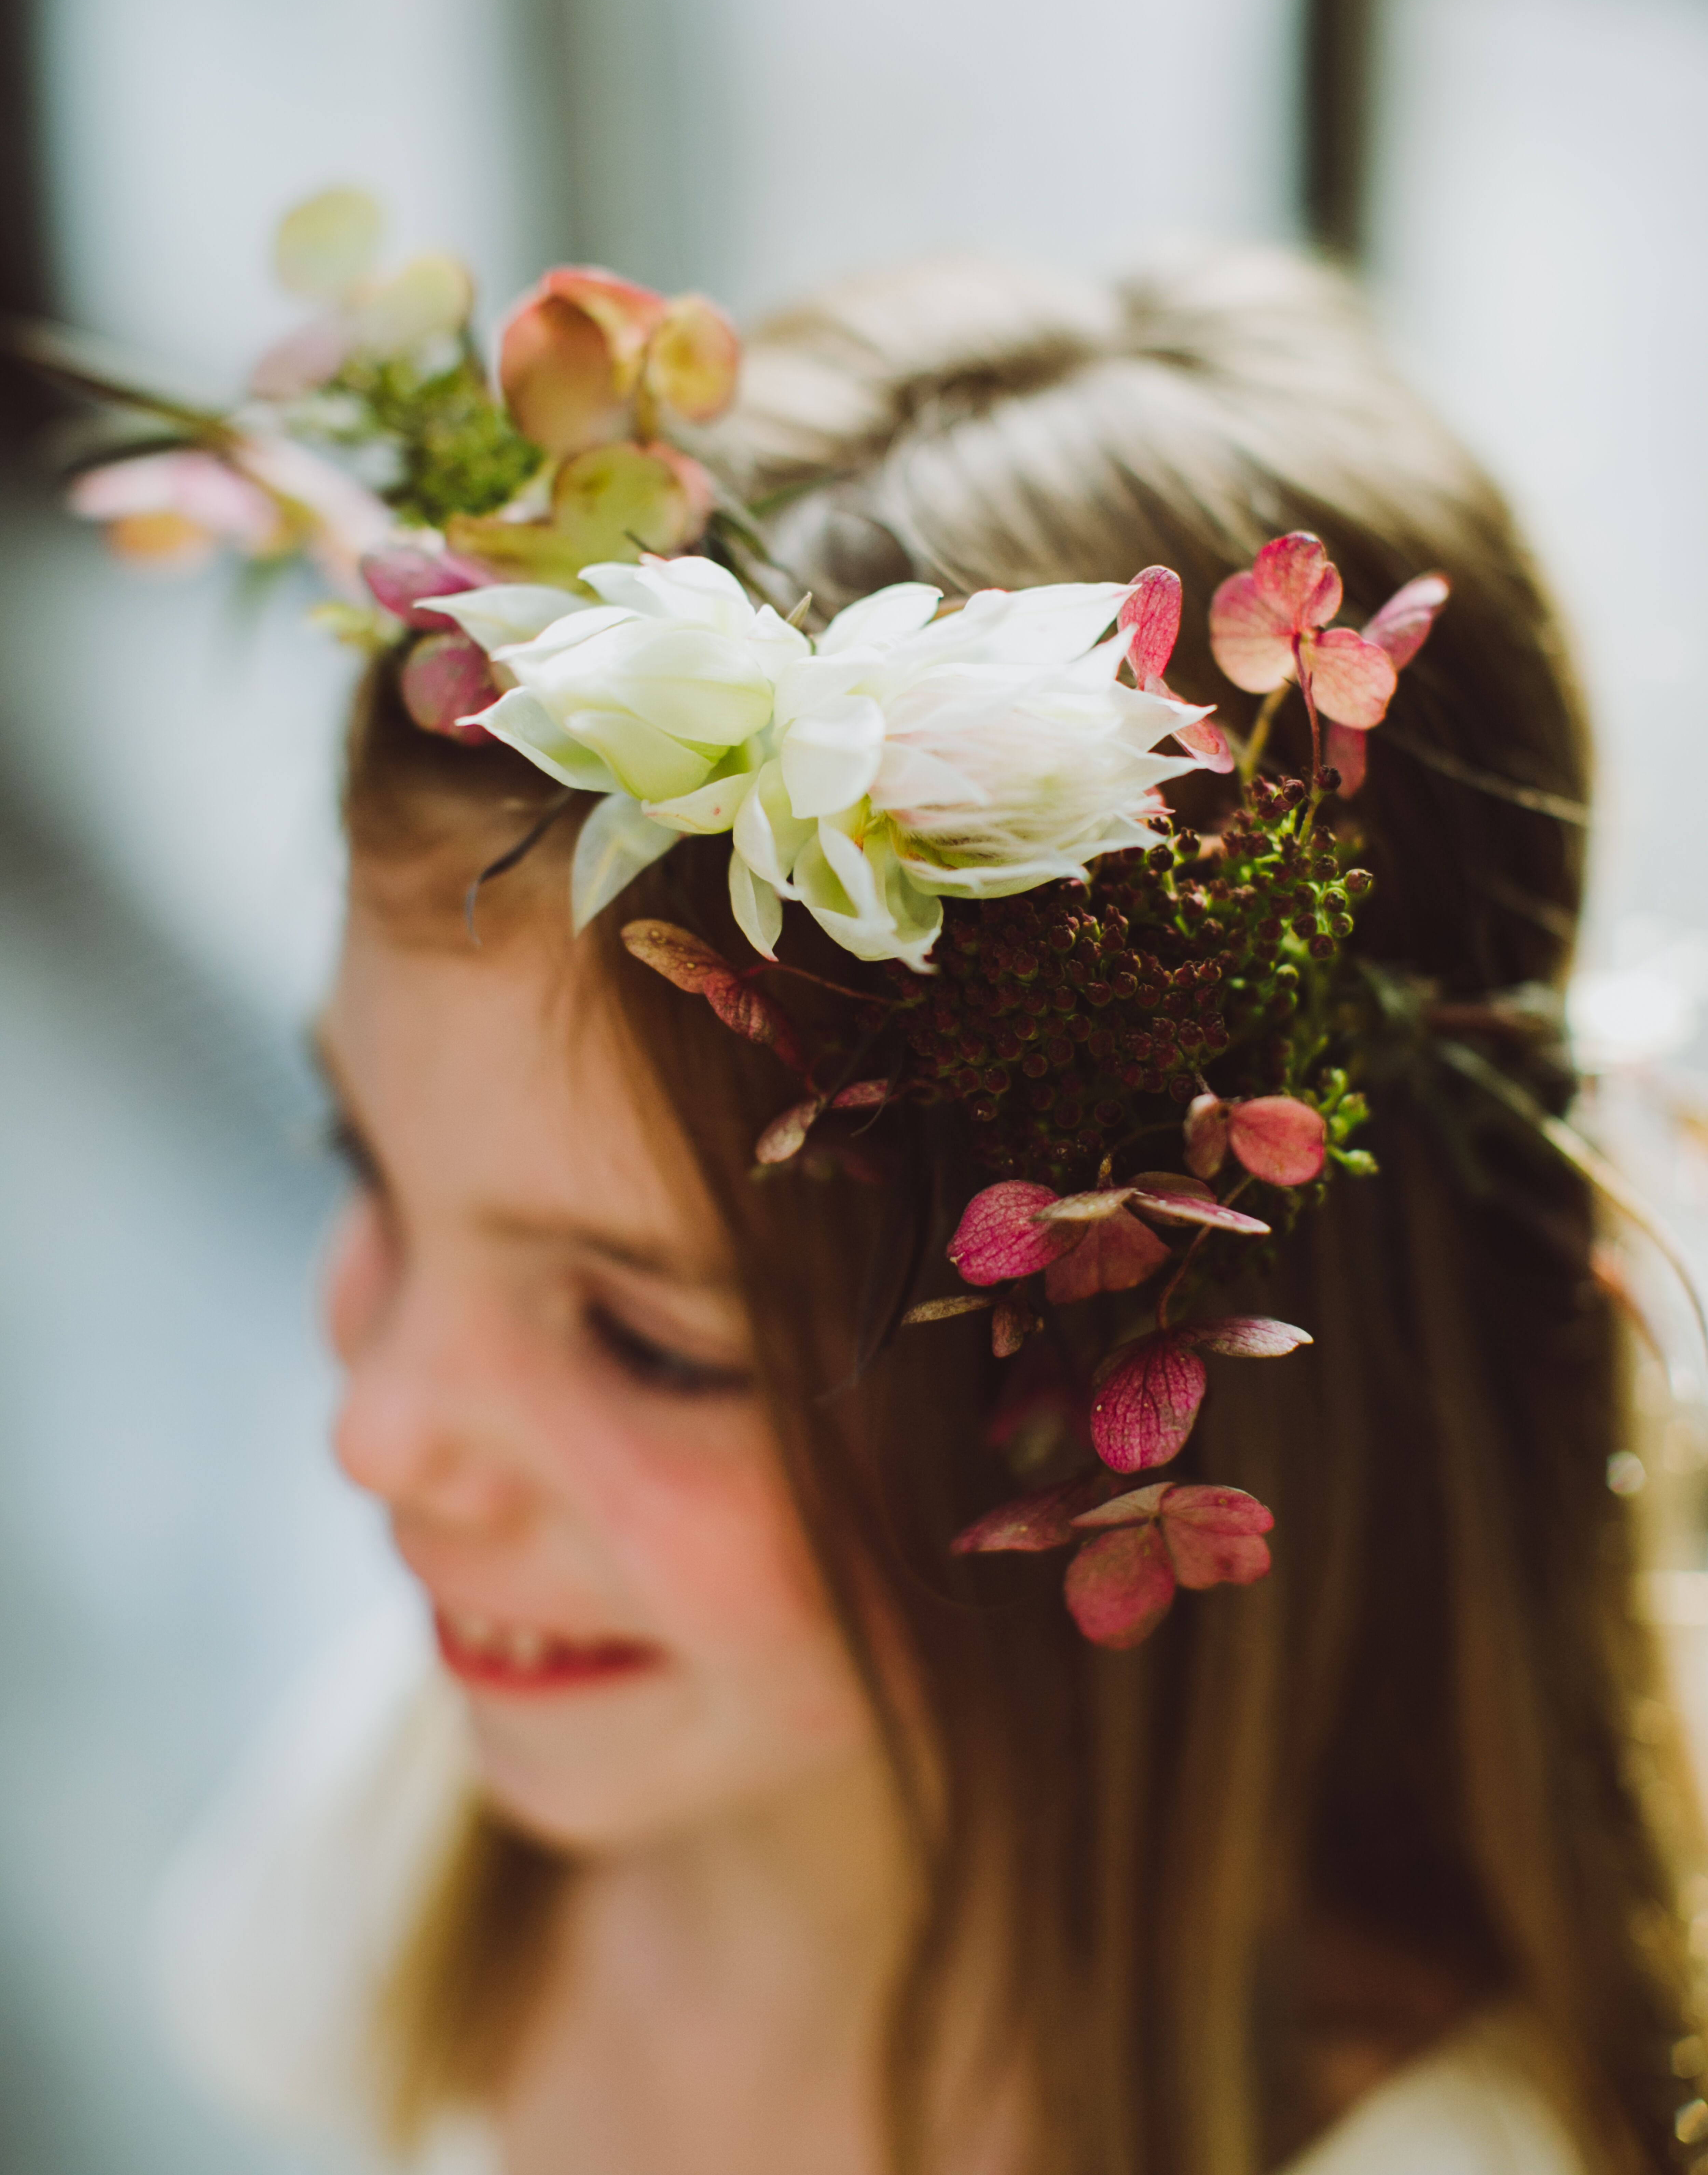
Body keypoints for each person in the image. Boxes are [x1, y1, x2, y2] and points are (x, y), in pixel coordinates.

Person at [141, 239, 1707, 2175]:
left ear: (1180, 1360)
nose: (378, 1434)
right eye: (362, 1166)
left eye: (647, 1340)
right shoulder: (459, 1790)